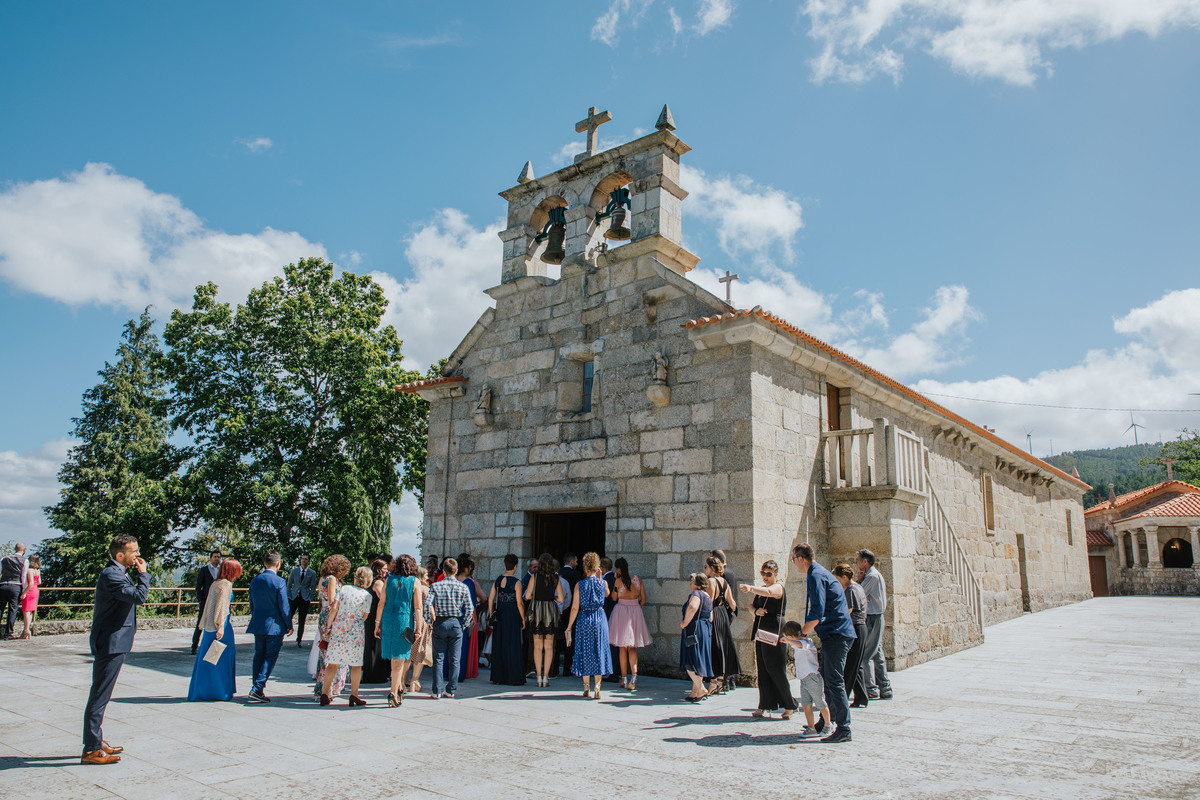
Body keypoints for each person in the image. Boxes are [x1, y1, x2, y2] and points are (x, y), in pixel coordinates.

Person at [81, 534, 149, 765]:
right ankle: (90, 749)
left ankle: (96, 740)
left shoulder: (118, 572)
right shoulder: (112, 575)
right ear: (120, 555)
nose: (137, 555)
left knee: (102, 694)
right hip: (111, 642)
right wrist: (144, 575)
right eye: (134, 552)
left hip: (116, 641)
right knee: (100, 696)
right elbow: (139, 597)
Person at [792, 543, 856, 743]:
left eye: (793, 559)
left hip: (837, 635)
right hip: (836, 634)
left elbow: (817, 613)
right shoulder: (820, 573)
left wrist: (801, 634)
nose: (793, 563)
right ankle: (826, 722)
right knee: (829, 680)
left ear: (800, 558)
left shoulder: (816, 575)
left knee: (835, 682)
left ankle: (844, 729)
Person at [739, 559, 795, 719]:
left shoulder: (778, 587)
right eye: (763, 573)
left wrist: (750, 588)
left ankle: (789, 705)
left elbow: (770, 593)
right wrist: (755, 611)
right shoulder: (761, 589)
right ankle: (763, 705)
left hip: (775, 629)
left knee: (775, 668)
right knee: (763, 669)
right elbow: (751, 605)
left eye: (768, 574)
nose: (765, 576)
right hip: (761, 629)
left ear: (776, 574)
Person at [188, 557, 242, 701]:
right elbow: (222, 608)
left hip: (209, 627)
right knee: (221, 659)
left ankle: (203, 690)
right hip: (221, 626)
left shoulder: (215, 583)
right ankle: (221, 691)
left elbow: (210, 607)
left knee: (207, 659)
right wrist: (221, 627)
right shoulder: (226, 585)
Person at [320, 566, 372, 706]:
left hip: (339, 629)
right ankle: (354, 694)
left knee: (333, 663)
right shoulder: (367, 596)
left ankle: (325, 693)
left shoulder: (344, 589)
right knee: (356, 665)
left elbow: (334, 609)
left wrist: (329, 627)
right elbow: (364, 616)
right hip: (356, 633)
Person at [246, 550, 293, 704]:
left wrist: (256, 617)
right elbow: (284, 606)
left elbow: (252, 603)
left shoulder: (255, 580)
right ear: (278, 564)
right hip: (275, 626)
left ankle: (256, 687)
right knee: (269, 657)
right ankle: (257, 688)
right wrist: (289, 624)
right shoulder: (279, 582)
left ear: (264, 563)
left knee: (258, 655)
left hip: (259, 623)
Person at [425, 557, 473, 699]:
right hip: (456, 622)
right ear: (456, 571)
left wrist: (429, 621)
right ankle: (451, 689)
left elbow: (427, 604)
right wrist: (464, 624)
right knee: (455, 659)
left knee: (438, 658)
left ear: (444, 571)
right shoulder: (463, 587)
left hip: (440, 622)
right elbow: (470, 608)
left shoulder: (436, 586)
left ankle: (437, 690)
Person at [566, 551, 612, 699]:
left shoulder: (580, 585)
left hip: (584, 618)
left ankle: (586, 686)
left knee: (585, 650)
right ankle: (597, 686)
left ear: (585, 568)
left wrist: (568, 626)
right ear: (597, 566)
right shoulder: (603, 583)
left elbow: (574, 607)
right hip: (599, 618)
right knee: (599, 650)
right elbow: (607, 594)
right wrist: (600, 577)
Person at [378, 554, 420, 706]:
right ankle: (393, 692)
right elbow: (418, 608)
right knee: (400, 659)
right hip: (404, 622)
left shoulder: (388, 580)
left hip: (388, 621)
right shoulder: (414, 582)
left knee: (395, 658)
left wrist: (377, 623)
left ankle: (399, 687)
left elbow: (381, 603)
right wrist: (419, 627)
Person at [781, 620, 831, 737]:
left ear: (790, 636)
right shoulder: (796, 644)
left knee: (820, 703)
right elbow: (796, 645)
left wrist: (788, 641)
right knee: (805, 704)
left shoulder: (807, 642)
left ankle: (828, 725)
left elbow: (801, 645)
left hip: (812, 677)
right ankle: (811, 728)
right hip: (803, 679)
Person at [607, 557, 649, 691]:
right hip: (635, 611)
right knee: (632, 647)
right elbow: (644, 599)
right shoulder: (638, 579)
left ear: (618, 569)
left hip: (621, 612)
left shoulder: (618, 581)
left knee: (621, 648)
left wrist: (615, 582)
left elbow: (613, 598)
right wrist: (636, 608)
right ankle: (634, 677)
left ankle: (624, 679)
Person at [856, 548, 893, 700]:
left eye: (857, 560)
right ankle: (885, 687)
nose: (856, 563)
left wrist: (858, 580)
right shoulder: (873, 575)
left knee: (865, 655)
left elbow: (859, 593)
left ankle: (871, 689)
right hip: (876, 617)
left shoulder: (871, 577)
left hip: (872, 617)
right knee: (877, 653)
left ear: (865, 561)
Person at [524, 552, 564, 687]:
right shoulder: (556, 578)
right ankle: (546, 677)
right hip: (550, 611)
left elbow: (528, 596)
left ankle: (538, 677)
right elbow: (561, 598)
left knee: (537, 646)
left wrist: (538, 594)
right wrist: (552, 597)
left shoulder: (534, 577)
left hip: (537, 610)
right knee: (548, 647)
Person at [834, 563, 871, 708]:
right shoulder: (857, 587)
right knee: (856, 665)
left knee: (850, 666)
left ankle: (842, 700)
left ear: (844, 577)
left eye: (837, 579)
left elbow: (847, 612)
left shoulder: (850, 590)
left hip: (855, 628)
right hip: (860, 628)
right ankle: (861, 697)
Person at [488, 553, 526, 686]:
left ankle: (499, 676)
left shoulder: (498, 580)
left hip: (500, 614)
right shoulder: (516, 582)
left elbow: (490, 598)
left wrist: (491, 613)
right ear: (515, 566)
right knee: (512, 644)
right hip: (512, 615)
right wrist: (523, 618)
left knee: (499, 644)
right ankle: (512, 677)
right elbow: (519, 603)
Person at [704, 555, 740, 694]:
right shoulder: (724, 582)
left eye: (706, 567)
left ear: (712, 568)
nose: (705, 569)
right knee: (722, 646)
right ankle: (720, 681)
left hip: (714, 614)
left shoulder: (711, 581)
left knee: (713, 647)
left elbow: (709, 602)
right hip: (723, 614)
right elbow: (733, 603)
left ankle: (713, 682)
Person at [679, 573, 715, 701]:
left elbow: (693, 607)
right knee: (699, 659)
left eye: (692, 582)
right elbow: (711, 617)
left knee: (690, 660)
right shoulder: (708, 596)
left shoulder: (696, 594)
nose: (690, 584)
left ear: (698, 584)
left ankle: (701, 689)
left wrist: (684, 623)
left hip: (694, 629)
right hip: (705, 629)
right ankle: (694, 693)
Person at [361, 558, 391, 685]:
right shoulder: (378, 583)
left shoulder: (374, 581)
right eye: (384, 568)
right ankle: (375, 674)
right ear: (379, 569)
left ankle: (372, 673)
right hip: (375, 616)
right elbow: (383, 598)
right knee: (375, 645)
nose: (386, 571)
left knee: (373, 645)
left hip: (371, 615)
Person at [455, 558, 483, 682]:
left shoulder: (453, 580)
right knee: (465, 644)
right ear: (466, 568)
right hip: (467, 616)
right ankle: (463, 671)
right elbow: (471, 602)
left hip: (453, 615)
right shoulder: (469, 582)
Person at [406, 565, 432, 694]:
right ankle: (414, 681)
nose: (428, 577)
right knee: (420, 653)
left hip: (410, 621)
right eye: (426, 575)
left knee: (407, 653)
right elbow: (430, 608)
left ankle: (402, 681)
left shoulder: (409, 587)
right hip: (422, 622)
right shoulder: (426, 590)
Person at [192, 550, 222, 655]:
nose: (217, 559)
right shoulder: (204, 570)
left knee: (217, 623)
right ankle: (194, 645)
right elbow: (198, 585)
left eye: (218, 557)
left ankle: (214, 646)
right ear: (211, 558)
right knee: (201, 622)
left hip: (218, 600)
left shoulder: (221, 571)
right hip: (205, 600)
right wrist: (200, 599)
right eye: (215, 557)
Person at [286, 553, 318, 646]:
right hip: (294, 597)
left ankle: (299, 639)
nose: (303, 560)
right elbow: (289, 585)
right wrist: (289, 596)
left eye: (305, 559)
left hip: (304, 598)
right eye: (302, 559)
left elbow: (313, 587)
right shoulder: (294, 571)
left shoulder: (312, 573)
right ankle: (282, 637)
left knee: (302, 620)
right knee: (288, 617)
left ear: (309, 561)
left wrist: (309, 598)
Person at [0, 542, 28, 640]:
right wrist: (24, 591)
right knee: (12, 610)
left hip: (3, 584)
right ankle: (8, 634)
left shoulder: (4, 559)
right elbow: (23, 576)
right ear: (24, 550)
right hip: (16, 586)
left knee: (0, 609)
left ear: (14, 549)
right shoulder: (24, 560)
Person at [18, 553, 41, 639]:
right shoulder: (38, 570)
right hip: (35, 590)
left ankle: (26, 630)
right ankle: (26, 630)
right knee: (30, 611)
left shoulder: (30, 571)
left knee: (26, 611)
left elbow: (30, 583)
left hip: (30, 591)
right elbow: (39, 582)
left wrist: (24, 593)